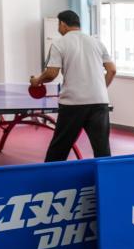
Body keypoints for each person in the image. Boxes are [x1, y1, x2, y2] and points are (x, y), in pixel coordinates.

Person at [29, 10, 116, 161]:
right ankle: (107, 176)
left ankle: (49, 175)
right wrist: (101, 88)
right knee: (102, 149)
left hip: (73, 104)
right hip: (99, 102)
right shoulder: (97, 42)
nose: (58, 28)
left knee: (59, 148)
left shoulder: (59, 43)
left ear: (63, 24)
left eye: (58, 24)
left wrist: (37, 81)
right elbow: (112, 70)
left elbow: (51, 73)